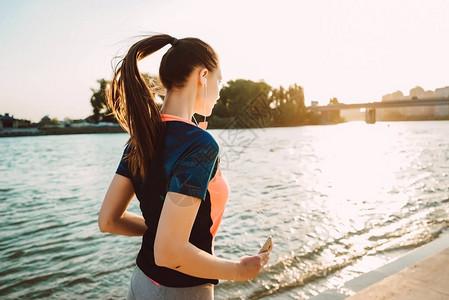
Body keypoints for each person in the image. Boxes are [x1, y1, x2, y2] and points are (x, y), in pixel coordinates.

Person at [97, 34, 270, 299]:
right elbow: (169, 252)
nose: (220, 90)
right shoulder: (198, 144)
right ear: (203, 77)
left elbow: (109, 220)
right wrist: (238, 270)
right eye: (218, 80)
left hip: (141, 282)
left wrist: (160, 228)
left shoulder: (142, 137)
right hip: (182, 291)